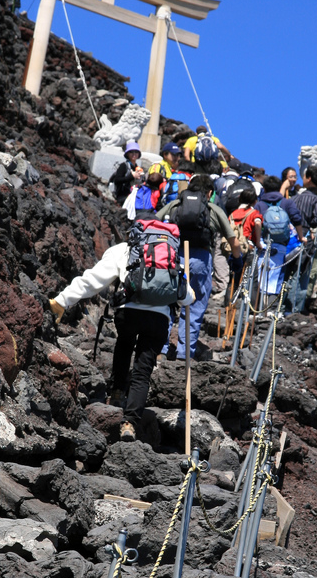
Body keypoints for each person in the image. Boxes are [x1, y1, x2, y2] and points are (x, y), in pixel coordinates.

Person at [48, 226, 194, 442]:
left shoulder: (125, 250)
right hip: (159, 320)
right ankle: (130, 423)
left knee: (124, 344)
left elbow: (94, 280)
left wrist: (63, 300)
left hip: (128, 314)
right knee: (143, 370)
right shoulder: (171, 256)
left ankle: (116, 394)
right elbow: (187, 297)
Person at [156, 174, 241, 359]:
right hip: (200, 260)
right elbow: (233, 242)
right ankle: (184, 354)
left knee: (168, 304)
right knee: (194, 306)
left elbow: (153, 222)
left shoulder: (175, 205)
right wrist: (238, 259)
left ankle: (160, 350)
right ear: (210, 192)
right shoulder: (213, 209)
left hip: (174, 258)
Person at [255, 176, 307, 242]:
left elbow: (256, 223)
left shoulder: (259, 205)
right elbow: (297, 219)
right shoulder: (288, 202)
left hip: (265, 243)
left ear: (264, 189)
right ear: (279, 188)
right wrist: (301, 237)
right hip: (285, 244)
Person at [294, 165, 317, 237]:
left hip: (292, 233)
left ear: (309, 179)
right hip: (306, 234)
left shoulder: (294, 198)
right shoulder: (316, 199)